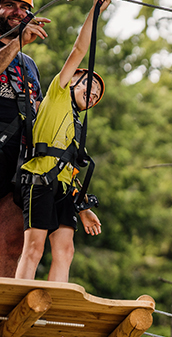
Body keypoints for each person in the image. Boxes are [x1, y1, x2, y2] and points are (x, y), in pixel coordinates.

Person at [14, 0, 108, 282]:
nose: (92, 96)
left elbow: (72, 168)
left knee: (65, 250)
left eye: (96, 97)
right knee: (34, 247)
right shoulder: (58, 93)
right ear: (76, 78)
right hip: (39, 180)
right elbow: (81, 49)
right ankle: (16, 302)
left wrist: (85, 208)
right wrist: (96, 11)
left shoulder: (77, 127)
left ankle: (54, 307)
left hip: (64, 189)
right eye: (90, 87)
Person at [0, 0, 49, 277]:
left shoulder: (29, 64)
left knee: (11, 244)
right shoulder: (14, 48)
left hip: (19, 159)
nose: (18, 11)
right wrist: (17, 42)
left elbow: (38, 109)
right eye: (9, 4)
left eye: (24, 6)